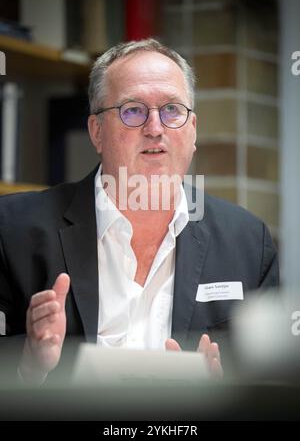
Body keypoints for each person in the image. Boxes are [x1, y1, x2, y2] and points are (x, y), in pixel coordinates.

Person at [0, 39, 279, 385]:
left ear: (192, 131)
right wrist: (28, 365)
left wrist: (224, 398)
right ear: (97, 132)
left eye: (172, 110)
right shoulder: (12, 229)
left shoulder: (249, 243)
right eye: (132, 110)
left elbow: (270, 386)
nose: (155, 128)